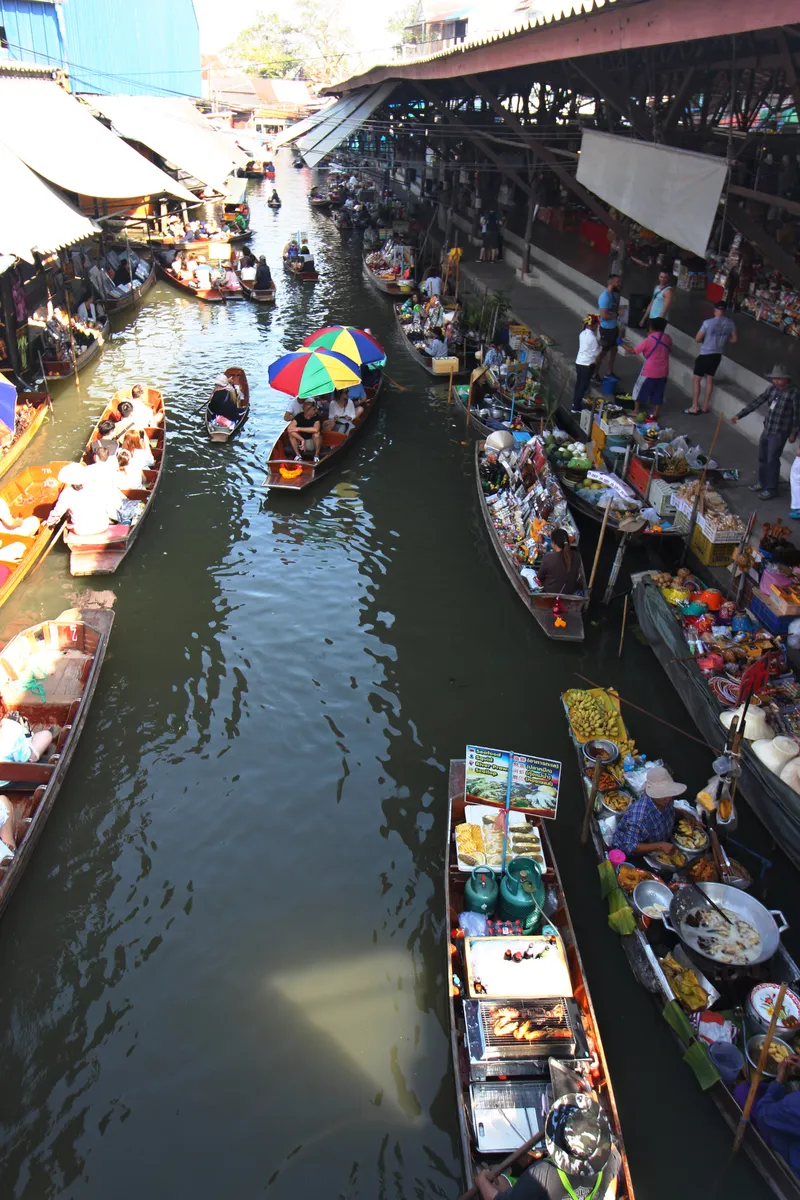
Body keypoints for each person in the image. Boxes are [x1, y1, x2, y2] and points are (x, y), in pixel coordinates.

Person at [475, 1093, 617, 1200]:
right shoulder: (612, 1157)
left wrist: (481, 1180)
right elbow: (611, 1179)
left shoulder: (542, 1176)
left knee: (496, 1181)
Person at [732, 364, 800, 501]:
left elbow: (797, 415)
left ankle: (771, 488)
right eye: (774, 379)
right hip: (768, 428)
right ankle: (762, 482)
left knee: (772, 459)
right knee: (763, 457)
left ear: (787, 379)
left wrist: (794, 433)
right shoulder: (772, 389)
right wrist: (740, 415)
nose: (776, 381)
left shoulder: (794, 393)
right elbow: (758, 401)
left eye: (779, 379)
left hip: (780, 432)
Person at [612, 766, 685, 858]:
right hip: (635, 854)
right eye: (663, 794)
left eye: (669, 793)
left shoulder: (666, 800)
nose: (668, 798)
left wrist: (684, 814)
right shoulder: (640, 815)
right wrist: (660, 846)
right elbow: (630, 846)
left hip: (661, 845)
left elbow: (670, 810)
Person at [749, 1051, 800, 1174]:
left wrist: (779, 1080)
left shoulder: (793, 1104)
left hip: (794, 1160)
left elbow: (763, 1115)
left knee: (743, 1092)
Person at [687, 301, 738, 414]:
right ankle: (705, 406)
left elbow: (697, 338)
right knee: (710, 379)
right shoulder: (730, 323)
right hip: (717, 355)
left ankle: (695, 406)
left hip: (705, 354)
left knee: (697, 379)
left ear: (715, 310)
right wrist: (725, 340)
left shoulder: (707, 323)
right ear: (725, 311)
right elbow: (734, 340)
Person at [46, 462, 122, 537]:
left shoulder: (66, 493)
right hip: (103, 525)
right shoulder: (96, 485)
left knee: (70, 519)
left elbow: (56, 514)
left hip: (81, 530)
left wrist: (50, 523)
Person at [631, 316, 672, 419]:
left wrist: (621, 343)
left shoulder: (649, 340)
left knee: (639, 388)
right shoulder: (667, 338)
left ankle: (636, 410)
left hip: (649, 371)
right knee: (659, 391)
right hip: (663, 371)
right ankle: (656, 412)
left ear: (651, 328)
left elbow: (634, 351)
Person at [537, 529, 581, 594]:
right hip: (569, 592)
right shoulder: (577, 557)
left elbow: (539, 577)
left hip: (550, 593)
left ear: (553, 543)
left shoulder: (548, 557)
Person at [594, 274, 621, 379]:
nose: (620, 284)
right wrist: (618, 314)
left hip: (613, 328)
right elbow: (604, 316)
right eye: (618, 282)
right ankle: (594, 374)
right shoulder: (605, 297)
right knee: (602, 354)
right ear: (611, 283)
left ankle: (609, 371)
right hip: (606, 330)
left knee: (614, 350)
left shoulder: (612, 295)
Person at [572, 315, 601, 413]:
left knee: (579, 383)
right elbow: (596, 353)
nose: (597, 327)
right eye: (596, 325)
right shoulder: (592, 338)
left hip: (579, 362)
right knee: (582, 385)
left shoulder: (582, 333)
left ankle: (575, 401)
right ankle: (576, 407)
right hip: (587, 364)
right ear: (593, 326)